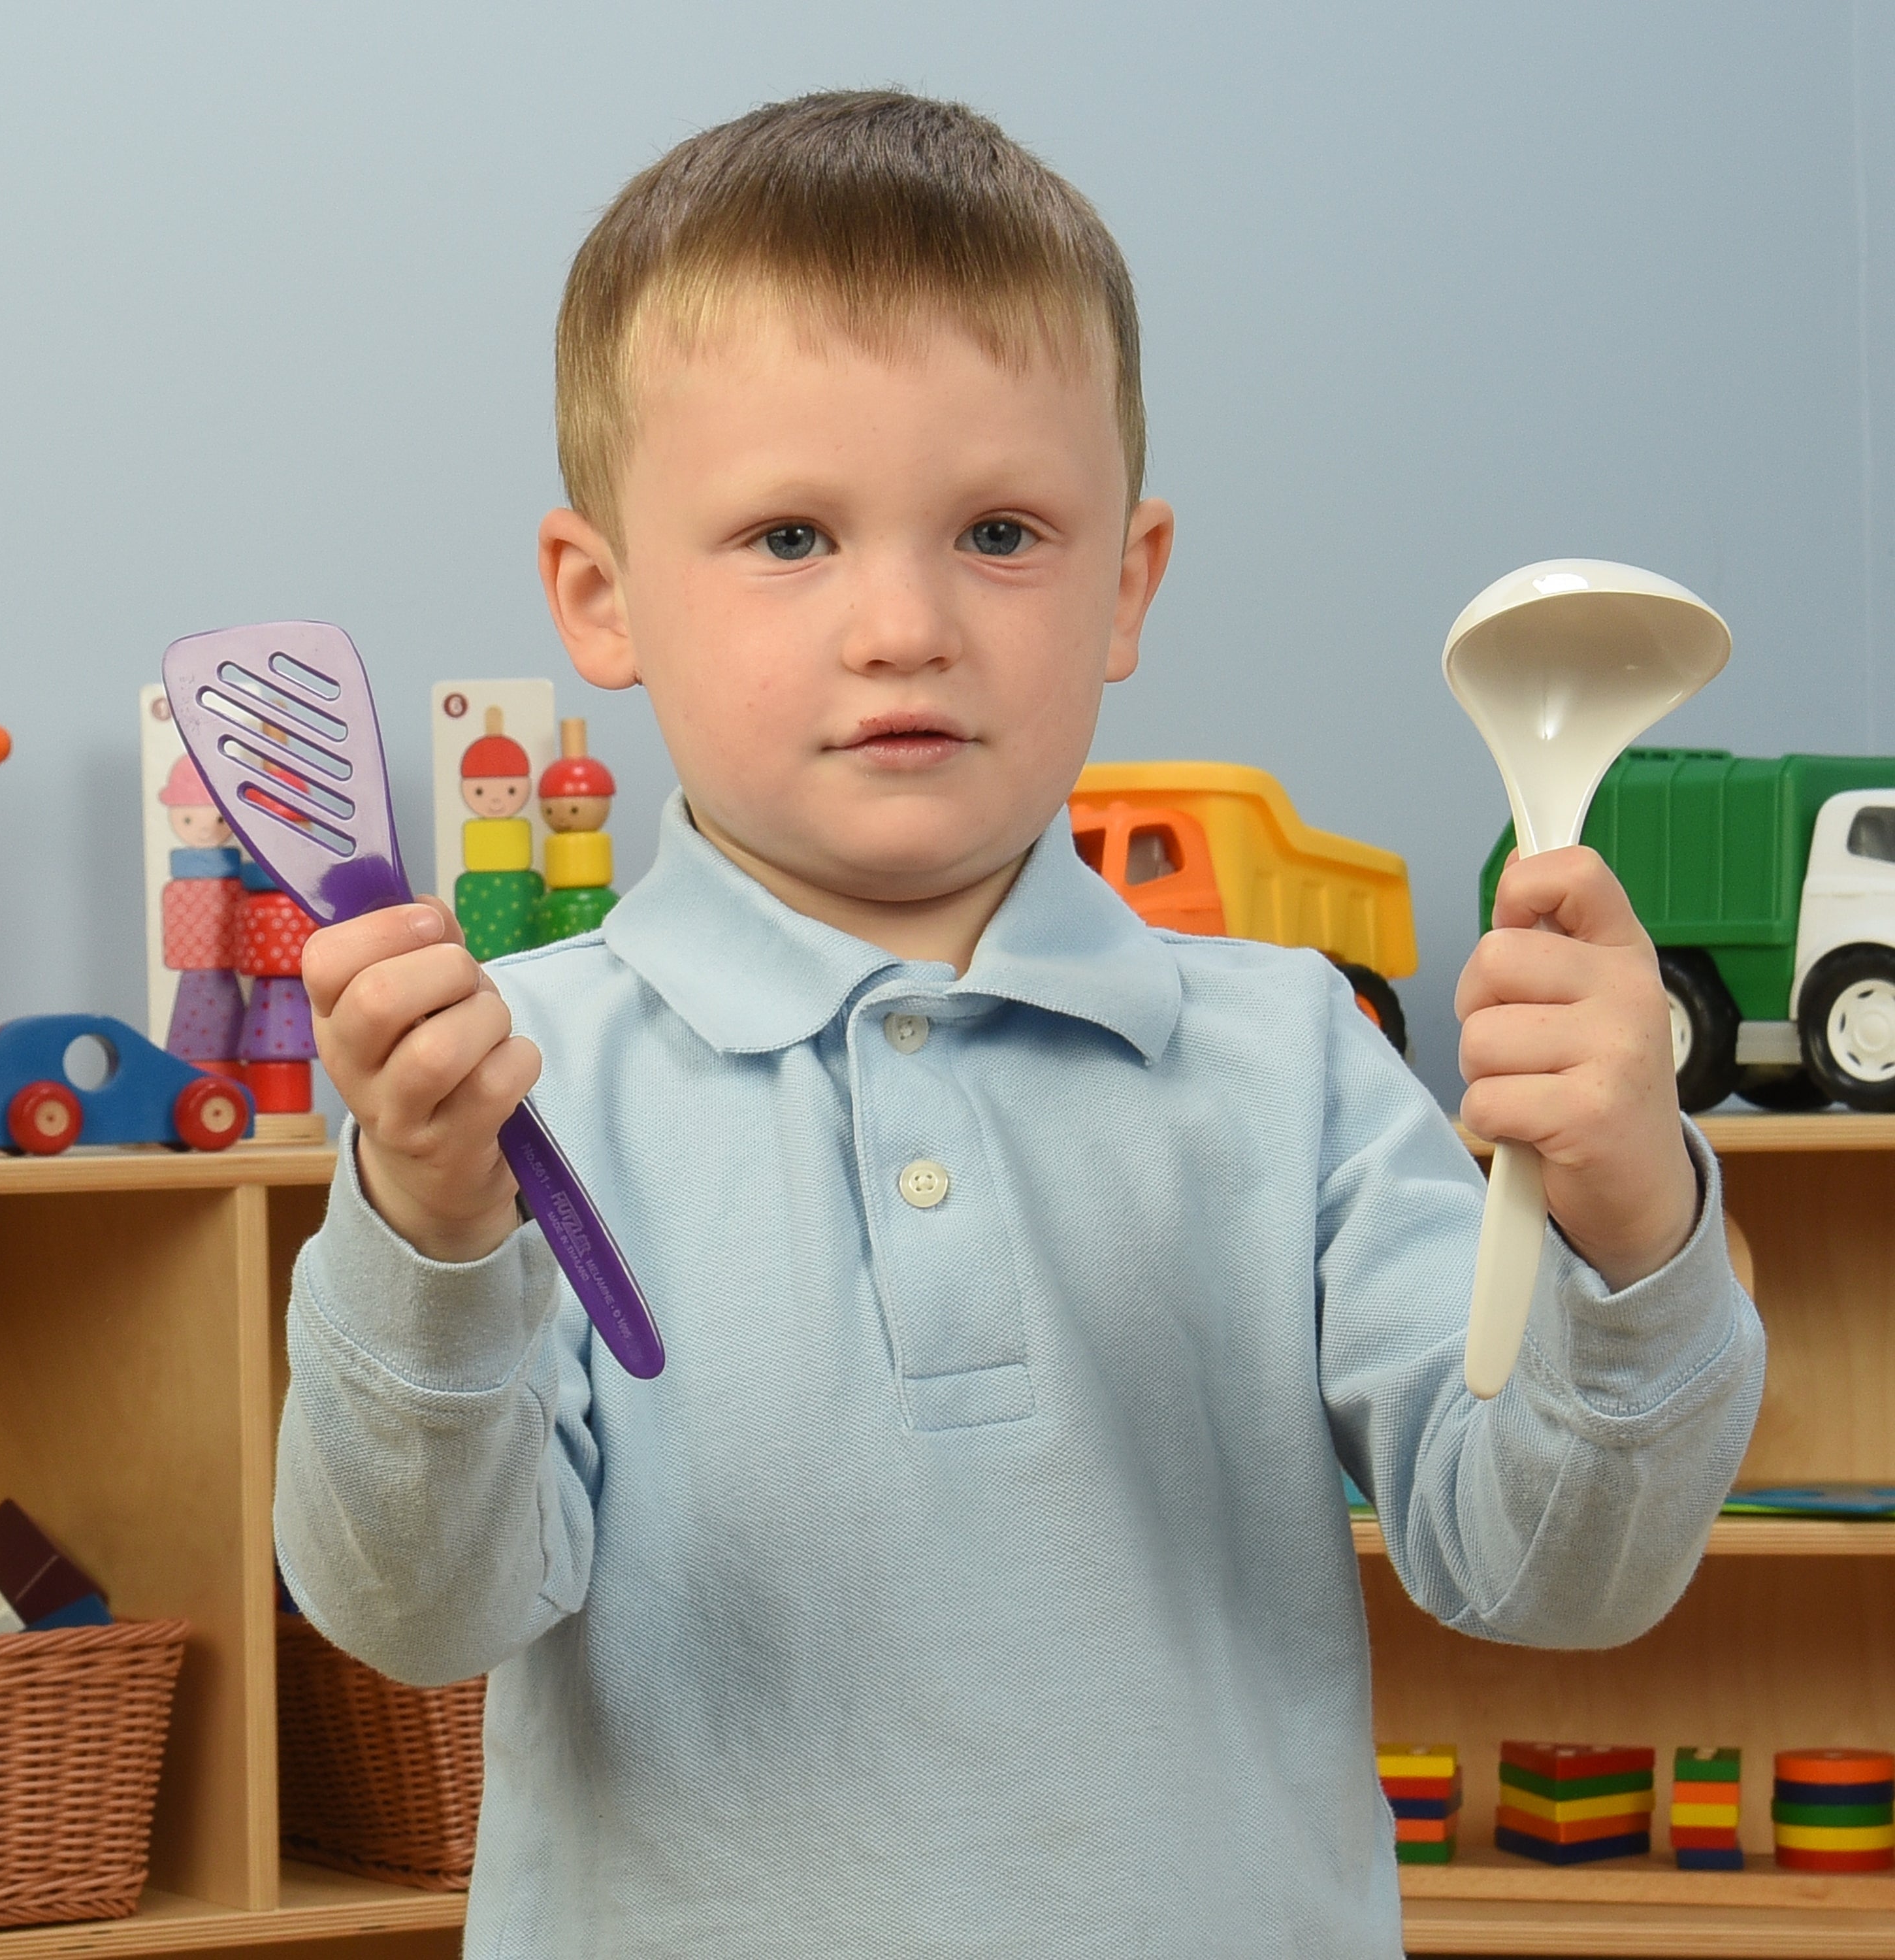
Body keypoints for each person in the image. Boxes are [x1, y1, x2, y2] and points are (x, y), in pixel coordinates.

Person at [274, 90, 1764, 1958]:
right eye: (792, 536)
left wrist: (1634, 1231)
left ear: (1125, 584)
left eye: (998, 530)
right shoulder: (513, 1093)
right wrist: (425, 1236)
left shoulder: (1289, 1057)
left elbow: (1553, 1573)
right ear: (601, 596)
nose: (903, 623)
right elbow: (415, 1609)